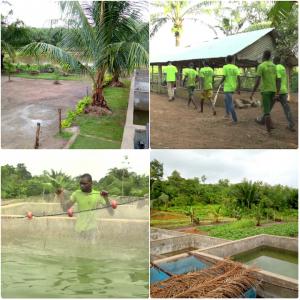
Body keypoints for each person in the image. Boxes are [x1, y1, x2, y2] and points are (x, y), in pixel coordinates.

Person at [255, 56, 295, 132]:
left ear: (274, 60)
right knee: (287, 109)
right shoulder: (283, 68)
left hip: (276, 91)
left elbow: (277, 80)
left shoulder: (275, 68)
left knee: (268, 108)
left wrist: (276, 92)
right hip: (284, 91)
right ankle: (291, 124)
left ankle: (262, 120)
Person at [66, 173, 110, 241]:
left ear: (91, 183)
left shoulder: (98, 195)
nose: (81, 186)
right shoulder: (76, 193)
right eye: (80, 184)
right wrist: (60, 195)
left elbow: (110, 210)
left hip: (92, 231)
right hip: (78, 230)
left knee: (91, 250)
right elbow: (65, 207)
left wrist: (106, 198)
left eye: (84, 184)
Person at [250, 50, 279, 133]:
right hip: (273, 91)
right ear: (270, 56)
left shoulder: (261, 66)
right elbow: (277, 80)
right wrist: (277, 92)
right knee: (268, 110)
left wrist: (252, 92)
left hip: (266, 91)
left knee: (266, 112)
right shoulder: (274, 66)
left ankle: (268, 131)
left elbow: (257, 81)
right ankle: (271, 125)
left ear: (263, 56)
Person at [218, 55, 240, 123]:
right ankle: (227, 114)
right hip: (233, 87)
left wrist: (220, 83)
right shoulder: (235, 67)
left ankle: (235, 119)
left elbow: (224, 77)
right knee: (225, 100)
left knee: (230, 103)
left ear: (226, 60)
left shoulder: (225, 67)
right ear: (232, 60)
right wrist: (238, 88)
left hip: (227, 87)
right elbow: (239, 78)